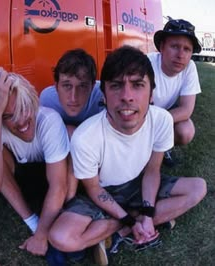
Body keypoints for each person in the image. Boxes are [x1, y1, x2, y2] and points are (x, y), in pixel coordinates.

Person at [47, 46, 207, 265]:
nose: (127, 97)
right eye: (116, 86)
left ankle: (115, 233)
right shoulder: (86, 137)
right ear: (103, 94)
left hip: (138, 184)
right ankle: (130, 224)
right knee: (60, 237)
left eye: (138, 85)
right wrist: (130, 220)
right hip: (102, 191)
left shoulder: (161, 120)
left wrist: (148, 213)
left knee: (198, 188)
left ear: (152, 94)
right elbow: (94, 189)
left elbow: (152, 171)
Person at [0, 67, 69, 257]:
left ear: (33, 101)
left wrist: (41, 235)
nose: (20, 121)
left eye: (24, 108)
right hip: (22, 179)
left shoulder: (48, 120)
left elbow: (58, 187)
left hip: (50, 178)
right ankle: (34, 218)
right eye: (7, 116)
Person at [147, 19, 202, 166]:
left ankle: (161, 148)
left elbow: (186, 110)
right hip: (142, 115)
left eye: (187, 49)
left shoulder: (189, 68)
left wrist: (158, 124)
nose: (180, 55)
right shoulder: (146, 64)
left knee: (186, 131)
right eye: (175, 46)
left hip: (160, 115)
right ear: (162, 47)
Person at [40, 48, 104, 136]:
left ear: (92, 86)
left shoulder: (103, 96)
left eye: (82, 86)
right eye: (67, 86)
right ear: (56, 86)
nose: (73, 98)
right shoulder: (47, 100)